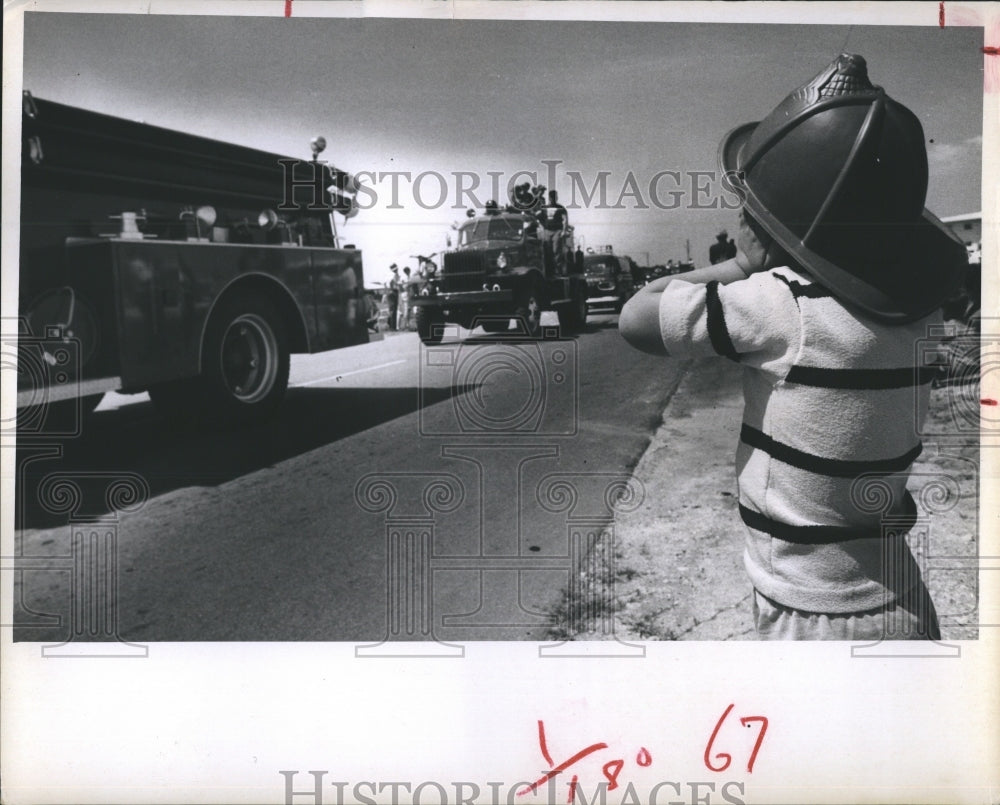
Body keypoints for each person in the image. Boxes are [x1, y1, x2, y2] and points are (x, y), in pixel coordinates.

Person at [619, 53, 966, 641]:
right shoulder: (915, 310)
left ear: (776, 226)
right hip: (899, 593)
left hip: (814, 614)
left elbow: (637, 316)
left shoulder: (783, 304)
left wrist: (743, 263)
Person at [538, 189, 569, 274]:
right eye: (551, 197)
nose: (553, 199)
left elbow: (565, 219)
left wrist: (563, 231)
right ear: (549, 198)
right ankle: (549, 271)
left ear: (556, 198)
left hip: (557, 231)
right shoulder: (544, 208)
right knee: (547, 251)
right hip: (547, 231)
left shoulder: (560, 208)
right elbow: (539, 218)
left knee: (556, 250)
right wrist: (542, 227)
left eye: (554, 197)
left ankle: (559, 270)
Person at [386, 264, 400, 331]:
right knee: (393, 310)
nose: (397, 270)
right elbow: (394, 284)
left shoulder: (390, 274)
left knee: (392, 309)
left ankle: (390, 325)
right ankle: (392, 326)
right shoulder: (393, 275)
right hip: (393, 292)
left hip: (390, 292)